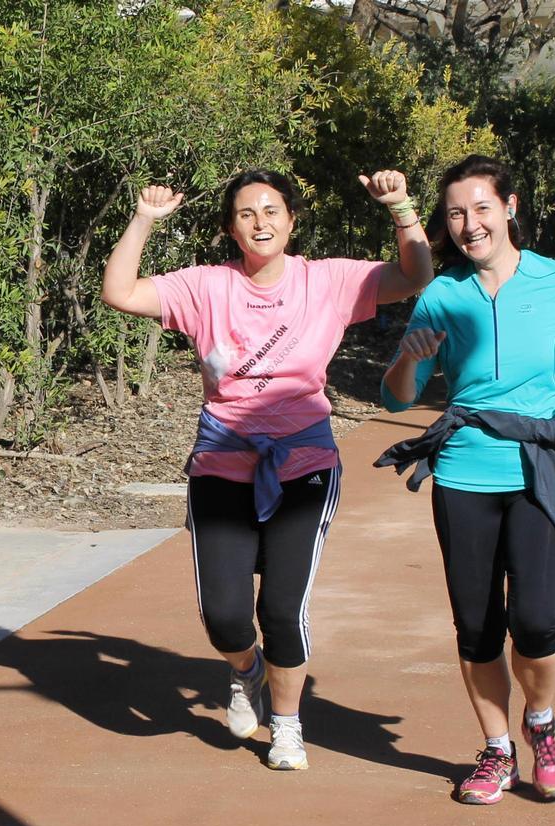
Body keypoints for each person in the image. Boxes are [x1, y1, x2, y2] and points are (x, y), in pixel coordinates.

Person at [101, 168, 433, 770]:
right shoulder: (206, 287)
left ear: (292, 220)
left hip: (304, 463)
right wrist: (144, 218)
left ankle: (286, 726)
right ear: (232, 229)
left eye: (272, 210)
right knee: (225, 617)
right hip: (221, 461)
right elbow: (119, 292)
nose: (260, 223)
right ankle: (245, 668)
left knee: (282, 608)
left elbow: (414, 275)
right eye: (247, 214)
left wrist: (401, 207)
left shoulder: (327, 281)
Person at [376, 154, 555, 805]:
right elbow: (398, 397)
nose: (469, 223)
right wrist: (409, 359)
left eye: (481, 207)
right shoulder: (443, 294)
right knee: (477, 627)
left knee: (536, 621)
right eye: (456, 213)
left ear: (509, 207)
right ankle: (496, 749)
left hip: (541, 467)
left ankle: (541, 721)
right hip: (464, 470)